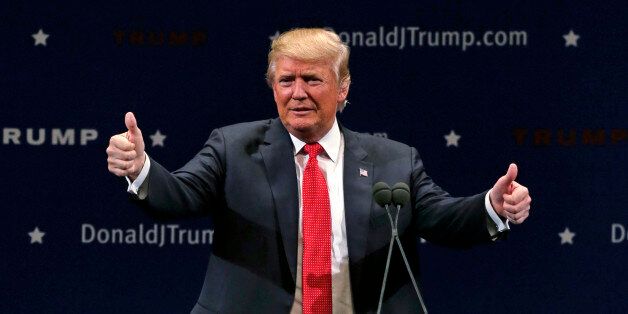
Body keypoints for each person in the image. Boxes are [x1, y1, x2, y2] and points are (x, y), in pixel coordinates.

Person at [106, 28, 531, 314]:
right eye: (286, 80)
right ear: (273, 86)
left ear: (342, 88)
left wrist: (492, 206)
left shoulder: (393, 160)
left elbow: (443, 219)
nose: (298, 93)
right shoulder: (233, 147)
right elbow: (179, 194)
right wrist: (141, 167)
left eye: (312, 79)